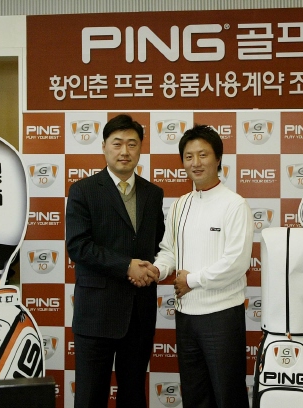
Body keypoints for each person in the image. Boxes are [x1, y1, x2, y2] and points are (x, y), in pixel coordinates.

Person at [66, 114, 165, 408]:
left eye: (132, 144)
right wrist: (126, 266)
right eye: (117, 143)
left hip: (139, 313)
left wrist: (154, 268)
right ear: (104, 147)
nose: (125, 151)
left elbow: (158, 243)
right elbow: (78, 246)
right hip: (96, 314)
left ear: (140, 149)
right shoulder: (83, 190)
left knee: (133, 395)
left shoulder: (153, 194)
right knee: (90, 397)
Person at [152, 124, 254, 408]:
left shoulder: (235, 205)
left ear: (218, 158)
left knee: (228, 396)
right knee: (195, 397)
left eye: (203, 155)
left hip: (222, 316)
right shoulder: (180, 205)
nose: (195, 163)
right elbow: (169, 251)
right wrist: (157, 270)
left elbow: (236, 262)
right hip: (186, 316)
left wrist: (192, 280)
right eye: (188, 156)